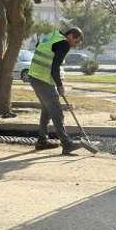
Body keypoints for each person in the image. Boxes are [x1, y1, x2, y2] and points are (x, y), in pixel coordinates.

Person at [27, 27, 88, 155]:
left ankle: (42, 141)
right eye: (75, 42)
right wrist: (60, 85)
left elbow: (39, 46)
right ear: (71, 36)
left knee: (47, 110)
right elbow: (55, 67)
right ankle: (66, 144)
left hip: (34, 75)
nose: (74, 45)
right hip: (42, 78)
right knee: (57, 111)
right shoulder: (64, 43)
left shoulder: (52, 35)